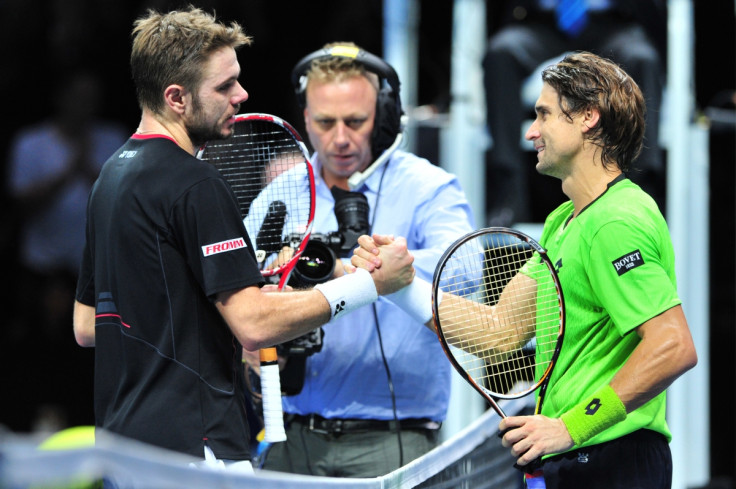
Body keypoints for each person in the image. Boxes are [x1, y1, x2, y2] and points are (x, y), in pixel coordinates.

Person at [72, 8, 414, 473]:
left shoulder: (110, 177)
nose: (242, 94)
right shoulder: (196, 184)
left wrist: (200, 310)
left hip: (124, 451)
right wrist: (369, 286)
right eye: (224, 86)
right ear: (176, 97)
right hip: (197, 452)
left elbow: (89, 325)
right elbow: (254, 325)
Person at [353, 52, 697, 488]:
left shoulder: (615, 221)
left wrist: (571, 427)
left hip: (611, 459)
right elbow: (499, 334)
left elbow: (672, 345)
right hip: (573, 458)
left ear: (588, 117)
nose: (532, 131)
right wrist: (401, 288)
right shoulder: (564, 220)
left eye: (544, 115)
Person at [253, 43, 475, 477]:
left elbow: (466, 274)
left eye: (355, 121)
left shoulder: (429, 187)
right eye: (325, 122)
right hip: (291, 436)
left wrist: (343, 270)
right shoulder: (280, 194)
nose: (339, 138)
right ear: (305, 118)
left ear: (385, 117)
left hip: (397, 438)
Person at [6, 69, 127, 432]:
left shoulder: (111, 138)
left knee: (89, 355)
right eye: (78, 96)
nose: (84, 106)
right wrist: (67, 171)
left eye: (91, 98)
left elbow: (123, 201)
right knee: (39, 355)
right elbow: (21, 205)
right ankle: (36, 427)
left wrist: (89, 168)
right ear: (60, 98)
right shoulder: (32, 142)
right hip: (42, 271)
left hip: (92, 271)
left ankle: (86, 427)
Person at [483, 0, 666, 226]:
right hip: (542, 24)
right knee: (501, 54)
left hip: (611, 24)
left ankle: (637, 198)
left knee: (642, 60)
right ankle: (508, 198)